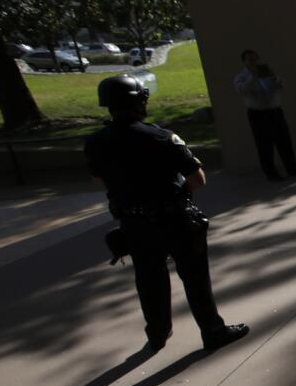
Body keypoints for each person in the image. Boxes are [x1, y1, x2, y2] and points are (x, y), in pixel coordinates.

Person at [86, 74, 249, 353]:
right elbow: (197, 178)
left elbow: (97, 180)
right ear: (139, 102)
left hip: (134, 223)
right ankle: (212, 331)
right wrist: (177, 195)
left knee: (149, 280)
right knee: (195, 277)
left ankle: (158, 333)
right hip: (175, 219)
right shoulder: (160, 137)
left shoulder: (96, 142)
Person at [233, 49, 296, 181]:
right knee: (264, 144)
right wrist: (253, 76)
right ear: (244, 62)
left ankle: (292, 168)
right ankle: (271, 174)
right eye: (250, 59)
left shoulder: (267, 73)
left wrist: (274, 78)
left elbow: (281, 86)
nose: (254, 62)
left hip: (275, 111)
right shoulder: (241, 77)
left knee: (284, 141)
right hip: (258, 114)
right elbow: (243, 90)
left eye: (256, 59)